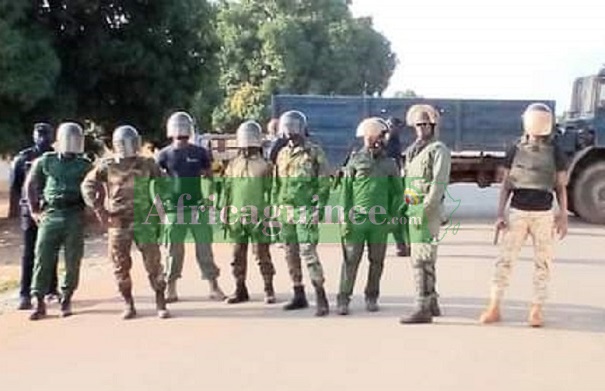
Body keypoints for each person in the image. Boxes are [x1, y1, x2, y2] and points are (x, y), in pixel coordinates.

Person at [479, 103, 568, 328]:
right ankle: (494, 306)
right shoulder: (515, 148)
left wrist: (562, 216)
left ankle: (536, 309)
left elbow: (560, 186)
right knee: (505, 262)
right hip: (518, 211)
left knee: (543, 263)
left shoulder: (555, 150)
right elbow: (506, 185)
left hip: (543, 214)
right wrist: (500, 214)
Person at [81, 125, 170, 319]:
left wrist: (160, 207)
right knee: (120, 265)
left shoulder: (148, 164)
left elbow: (164, 184)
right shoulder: (107, 165)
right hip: (118, 222)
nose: (129, 147)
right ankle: (128, 304)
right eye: (124, 143)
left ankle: (160, 302)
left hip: (144, 220)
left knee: (154, 264)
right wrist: (98, 209)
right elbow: (87, 185)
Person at [24, 122, 92, 320]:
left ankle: (66, 298)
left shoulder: (84, 164)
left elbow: (96, 185)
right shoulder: (46, 161)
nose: (71, 144)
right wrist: (34, 210)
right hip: (51, 213)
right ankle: (39, 301)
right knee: (42, 257)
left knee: (72, 259)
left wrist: (92, 210)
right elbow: (30, 184)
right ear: (59, 141)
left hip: (74, 214)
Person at [156, 111, 225, 302]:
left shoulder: (200, 152)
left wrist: (210, 198)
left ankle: (213, 286)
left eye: (184, 126)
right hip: (173, 209)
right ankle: (171, 288)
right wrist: (159, 205)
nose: (181, 130)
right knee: (173, 250)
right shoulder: (164, 154)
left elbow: (210, 176)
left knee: (204, 248)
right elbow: (155, 182)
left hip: (197, 208)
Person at [337, 117, 403, 315]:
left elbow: (398, 194)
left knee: (377, 262)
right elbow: (345, 193)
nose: (382, 140)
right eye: (380, 135)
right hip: (357, 220)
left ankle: (371, 296)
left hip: (379, 222)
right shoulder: (355, 161)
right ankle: (343, 299)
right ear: (369, 135)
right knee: (350, 261)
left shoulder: (390, 164)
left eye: (383, 136)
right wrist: (344, 219)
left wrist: (393, 217)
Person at [273, 110, 330, 316]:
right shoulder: (281, 154)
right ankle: (298, 293)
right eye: (286, 127)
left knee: (308, 252)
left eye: (293, 127)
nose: (290, 132)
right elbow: (276, 184)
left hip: (305, 208)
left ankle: (320, 295)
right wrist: (275, 206)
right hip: (285, 209)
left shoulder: (314, 152)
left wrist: (319, 207)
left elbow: (324, 182)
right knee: (290, 252)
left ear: (302, 128)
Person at [399, 104, 451, 324]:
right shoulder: (414, 150)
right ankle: (432, 302)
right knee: (423, 258)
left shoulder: (438, 150)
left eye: (425, 125)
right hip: (413, 209)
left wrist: (424, 209)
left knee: (421, 260)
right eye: (418, 125)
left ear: (433, 125)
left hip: (426, 212)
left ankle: (422, 307)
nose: (421, 128)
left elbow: (438, 185)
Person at [221, 120, 276, 304]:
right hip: (236, 217)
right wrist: (224, 210)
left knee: (262, 255)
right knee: (237, 256)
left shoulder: (265, 165)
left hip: (258, 217)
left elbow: (270, 191)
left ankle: (268, 288)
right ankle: (240, 289)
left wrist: (271, 214)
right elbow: (227, 190)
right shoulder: (233, 165)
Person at [10, 123, 60, 309]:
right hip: (29, 212)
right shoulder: (23, 158)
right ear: (33, 136)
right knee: (29, 253)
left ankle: (51, 290)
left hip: (51, 210)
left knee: (51, 251)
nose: (42, 138)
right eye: (39, 134)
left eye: (46, 134)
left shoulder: (57, 158)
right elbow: (16, 186)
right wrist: (27, 204)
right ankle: (25, 294)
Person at [385, 116, 410, 257]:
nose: (393, 130)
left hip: (394, 183)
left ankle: (403, 244)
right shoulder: (385, 142)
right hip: (385, 183)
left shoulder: (393, 142)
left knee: (398, 214)